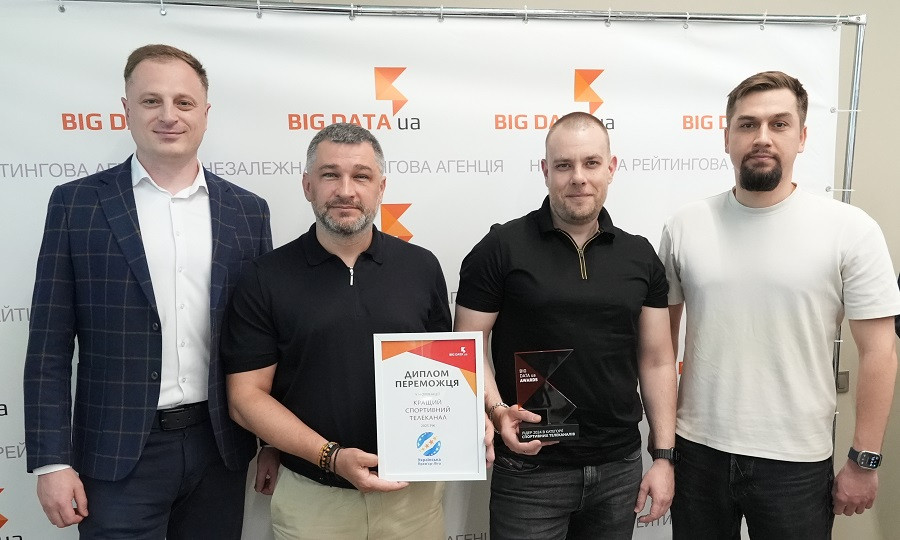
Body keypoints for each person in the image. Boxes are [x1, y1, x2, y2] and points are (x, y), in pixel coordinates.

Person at [23, 44, 275, 539]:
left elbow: (261, 342)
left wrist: (271, 442)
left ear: (205, 113)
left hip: (220, 449)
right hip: (115, 454)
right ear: (126, 109)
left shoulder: (248, 211)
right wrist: (51, 460)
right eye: (151, 100)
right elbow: (48, 345)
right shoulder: (77, 205)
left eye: (184, 102)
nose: (168, 115)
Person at [658, 71, 900, 539]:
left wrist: (864, 460)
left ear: (802, 137)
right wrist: (664, 451)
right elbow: (660, 350)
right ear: (726, 137)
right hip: (698, 453)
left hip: (797, 462)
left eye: (779, 124)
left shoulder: (851, 230)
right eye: (747, 124)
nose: (762, 137)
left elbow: (880, 352)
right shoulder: (684, 226)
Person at [222, 122, 455, 540]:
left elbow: (446, 379)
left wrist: (469, 425)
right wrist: (331, 457)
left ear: (381, 188)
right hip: (313, 499)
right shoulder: (265, 277)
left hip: (412, 499)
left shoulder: (421, 267)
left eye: (361, 176)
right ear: (307, 186)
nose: (346, 190)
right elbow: (245, 399)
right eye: (330, 175)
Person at [455, 111, 677, 540]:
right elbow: (466, 346)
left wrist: (664, 457)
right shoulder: (501, 248)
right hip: (531, 469)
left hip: (618, 469)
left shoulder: (639, 255)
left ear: (611, 168)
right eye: (563, 165)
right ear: (545, 171)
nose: (578, 177)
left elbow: (657, 360)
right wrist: (497, 412)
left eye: (591, 163)